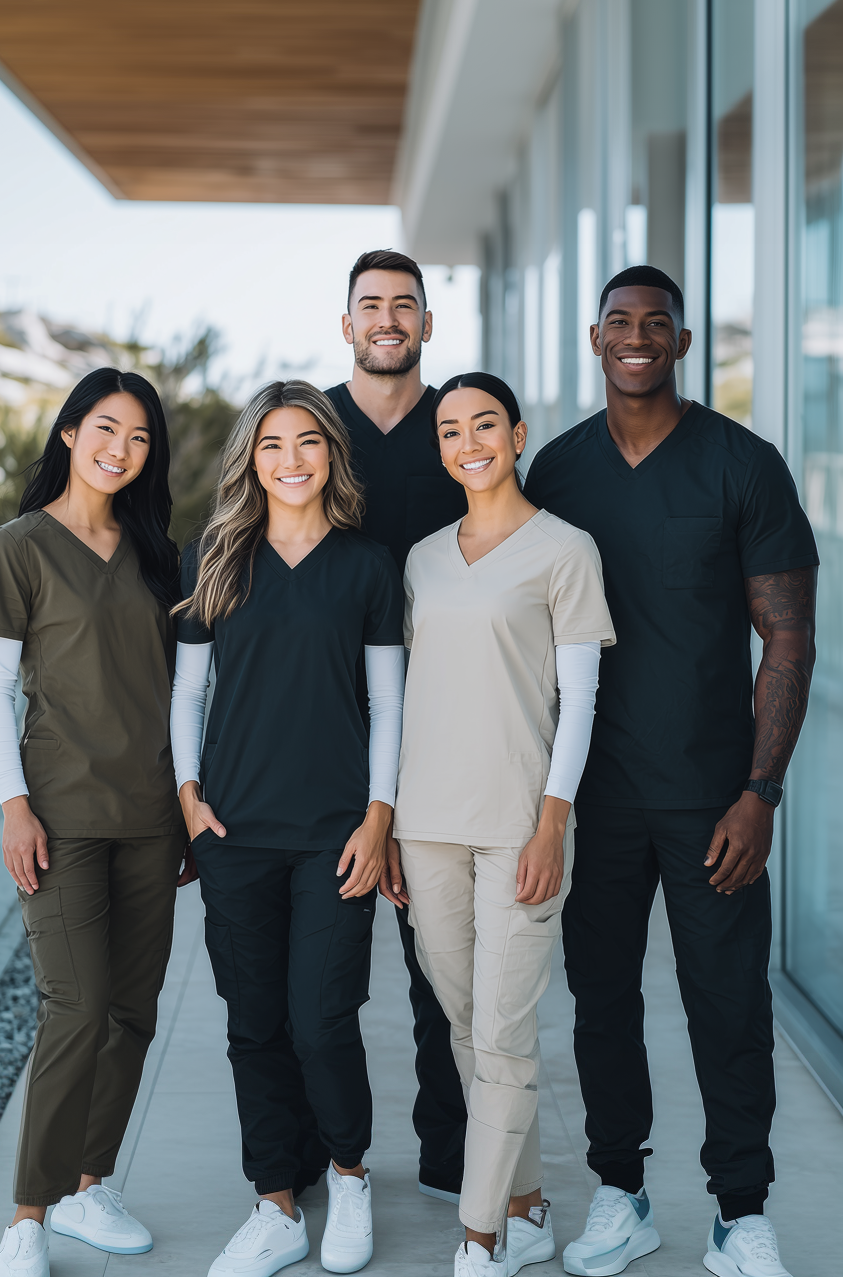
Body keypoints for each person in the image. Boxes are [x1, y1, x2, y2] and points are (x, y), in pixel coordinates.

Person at [523, 266, 819, 1277]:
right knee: (601, 1000)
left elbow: (787, 640)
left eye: (656, 324)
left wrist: (759, 792)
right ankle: (621, 1194)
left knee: (728, 1008)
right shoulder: (554, 475)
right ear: (594, 339)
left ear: (681, 344)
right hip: (591, 797)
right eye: (619, 323)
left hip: (710, 799)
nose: (637, 337)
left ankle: (740, 1213)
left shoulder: (743, 464)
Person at [170, 380, 405, 1277]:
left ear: (331, 455)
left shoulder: (367, 565)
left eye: (308, 442)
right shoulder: (215, 558)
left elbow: (388, 704)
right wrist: (189, 796)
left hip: (334, 834)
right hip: (233, 832)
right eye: (273, 444)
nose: (292, 459)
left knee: (322, 1019)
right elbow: (188, 693)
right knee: (254, 1022)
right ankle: (275, 1201)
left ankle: (347, 1176)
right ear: (251, 459)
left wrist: (380, 816)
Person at [393, 372, 617, 1277]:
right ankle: (526, 1206)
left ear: (517, 434)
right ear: (439, 448)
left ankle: (480, 1236)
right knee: (462, 1022)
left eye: (484, 423)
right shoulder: (420, 559)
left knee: (506, 1029)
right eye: (450, 429)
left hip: (521, 820)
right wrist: (393, 821)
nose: (468, 441)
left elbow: (582, 699)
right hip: (427, 823)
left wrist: (553, 820)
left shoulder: (567, 549)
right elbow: (405, 694)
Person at [0, 369, 187, 1277]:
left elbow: (185, 692)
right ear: (69, 433)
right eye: (106, 428)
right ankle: (27, 1215)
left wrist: (188, 801)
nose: (120, 450)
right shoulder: (16, 547)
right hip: (58, 815)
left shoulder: (156, 552)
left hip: (152, 814)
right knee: (77, 1007)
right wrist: (15, 806)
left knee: (131, 1013)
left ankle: (87, 1187)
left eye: (140, 438)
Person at [327, 249, 469, 1204]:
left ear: (426, 323)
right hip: (322, 730)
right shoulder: (309, 428)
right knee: (322, 978)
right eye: (370, 305)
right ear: (346, 324)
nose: (388, 319)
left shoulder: (454, 431)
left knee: (440, 966)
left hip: (443, 730)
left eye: (404, 305)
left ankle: (455, 1159)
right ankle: (319, 1163)